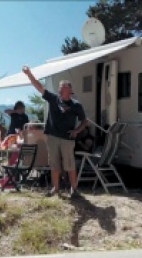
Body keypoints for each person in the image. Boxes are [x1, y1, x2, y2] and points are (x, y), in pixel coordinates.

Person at [22, 66, 88, 198]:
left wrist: (77, 130)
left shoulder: (76, 105)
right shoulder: (54, 99)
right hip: (52, 137)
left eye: (62, 88)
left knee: (69, 164)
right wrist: (29, 74)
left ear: (69, 90)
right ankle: (55, 188)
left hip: (67, 139)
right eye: (59, 88)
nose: (60, 90)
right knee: (54, 164)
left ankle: (73, 189)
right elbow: (39, 86)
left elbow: (85, 121)